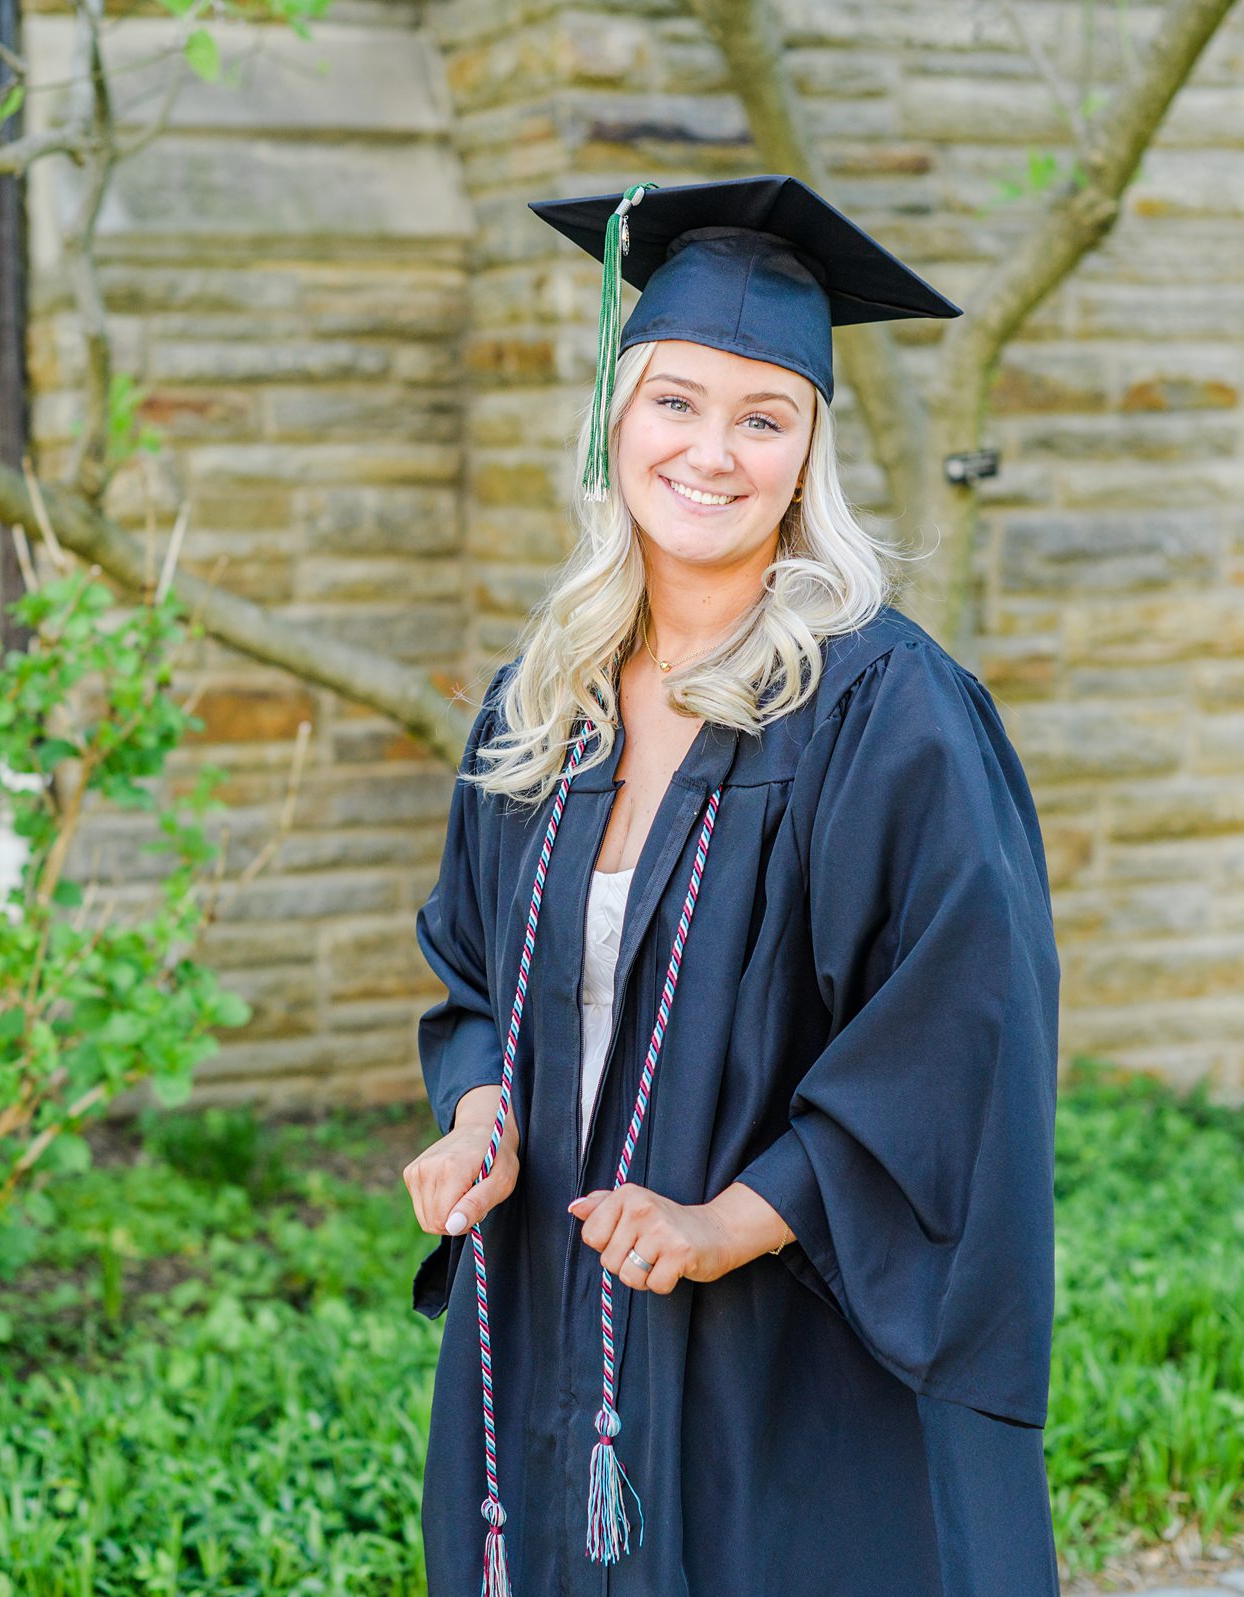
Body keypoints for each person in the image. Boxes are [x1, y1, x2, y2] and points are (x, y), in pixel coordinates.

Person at [399, 174, 1063, 1597]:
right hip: (555, 1302)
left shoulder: (886, 705)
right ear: (614, 420)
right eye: (676, 402)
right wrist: (475, 1116)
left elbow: (958, 1033)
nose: (712, 450)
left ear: (809, 453)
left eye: (763, 417)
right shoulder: (548, 699)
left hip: (787, 1346)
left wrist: (728, 1222)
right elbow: (469, 970)